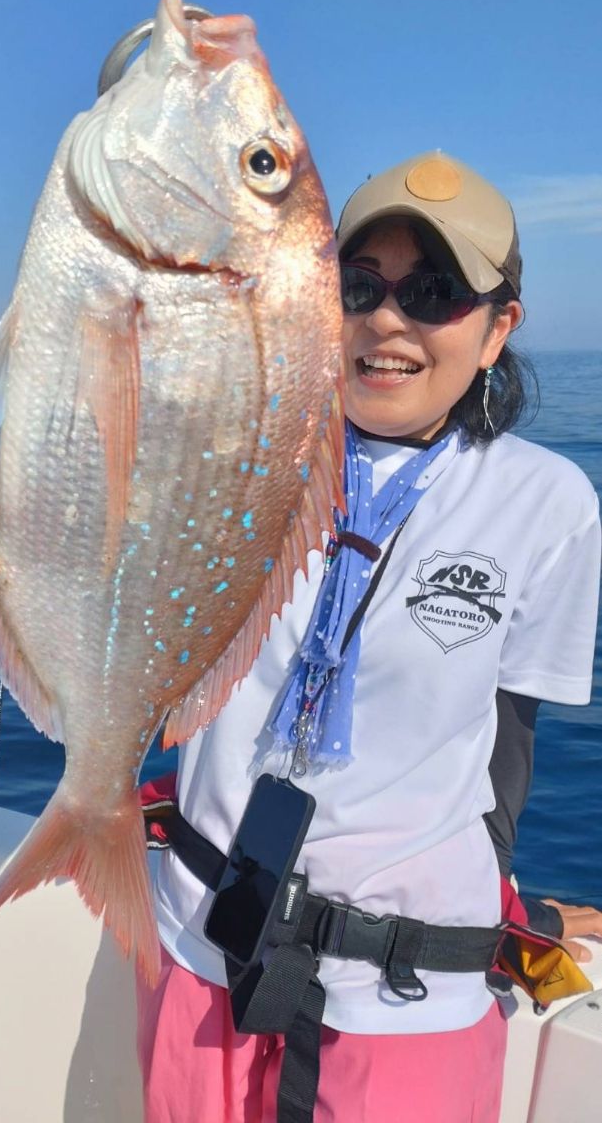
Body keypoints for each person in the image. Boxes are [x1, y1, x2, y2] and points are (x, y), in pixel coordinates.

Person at [136, 151, 601, 1123]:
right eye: (359, 285)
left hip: (404, 991)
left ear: (496, 327)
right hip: (198, 946)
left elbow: (507, 743)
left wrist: (514, 907)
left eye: (433, 292)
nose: (388, 318)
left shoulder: (547, 503)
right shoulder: (233, 448)